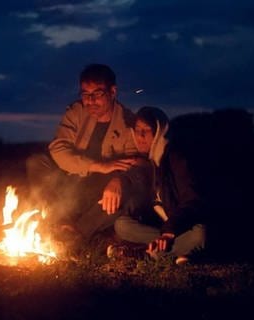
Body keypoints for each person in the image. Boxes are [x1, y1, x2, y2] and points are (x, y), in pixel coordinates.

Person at [26, 63, 139, 245]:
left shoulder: (128, 123)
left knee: (121, 196)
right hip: (71, 179)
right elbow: (58, 147)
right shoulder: (76, 112)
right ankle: (60, 220)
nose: (90, 101)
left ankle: (75, 234)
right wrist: (97, 166)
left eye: (98, 94)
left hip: (100, 187)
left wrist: (118, 179)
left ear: (113, 92)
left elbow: (134, 163)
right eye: (85, 94)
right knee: (37, 162)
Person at [111, 106, 206, 264]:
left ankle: (147, 254)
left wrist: (169, 231)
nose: (140, 135)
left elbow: (192, 200)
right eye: (137, 129)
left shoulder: (176, 157)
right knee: (122, 225)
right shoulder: (151, 160)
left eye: (146, 130)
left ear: (158, 132)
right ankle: (174, 251)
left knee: (201, 235)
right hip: (162, 226)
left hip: (182, 224)